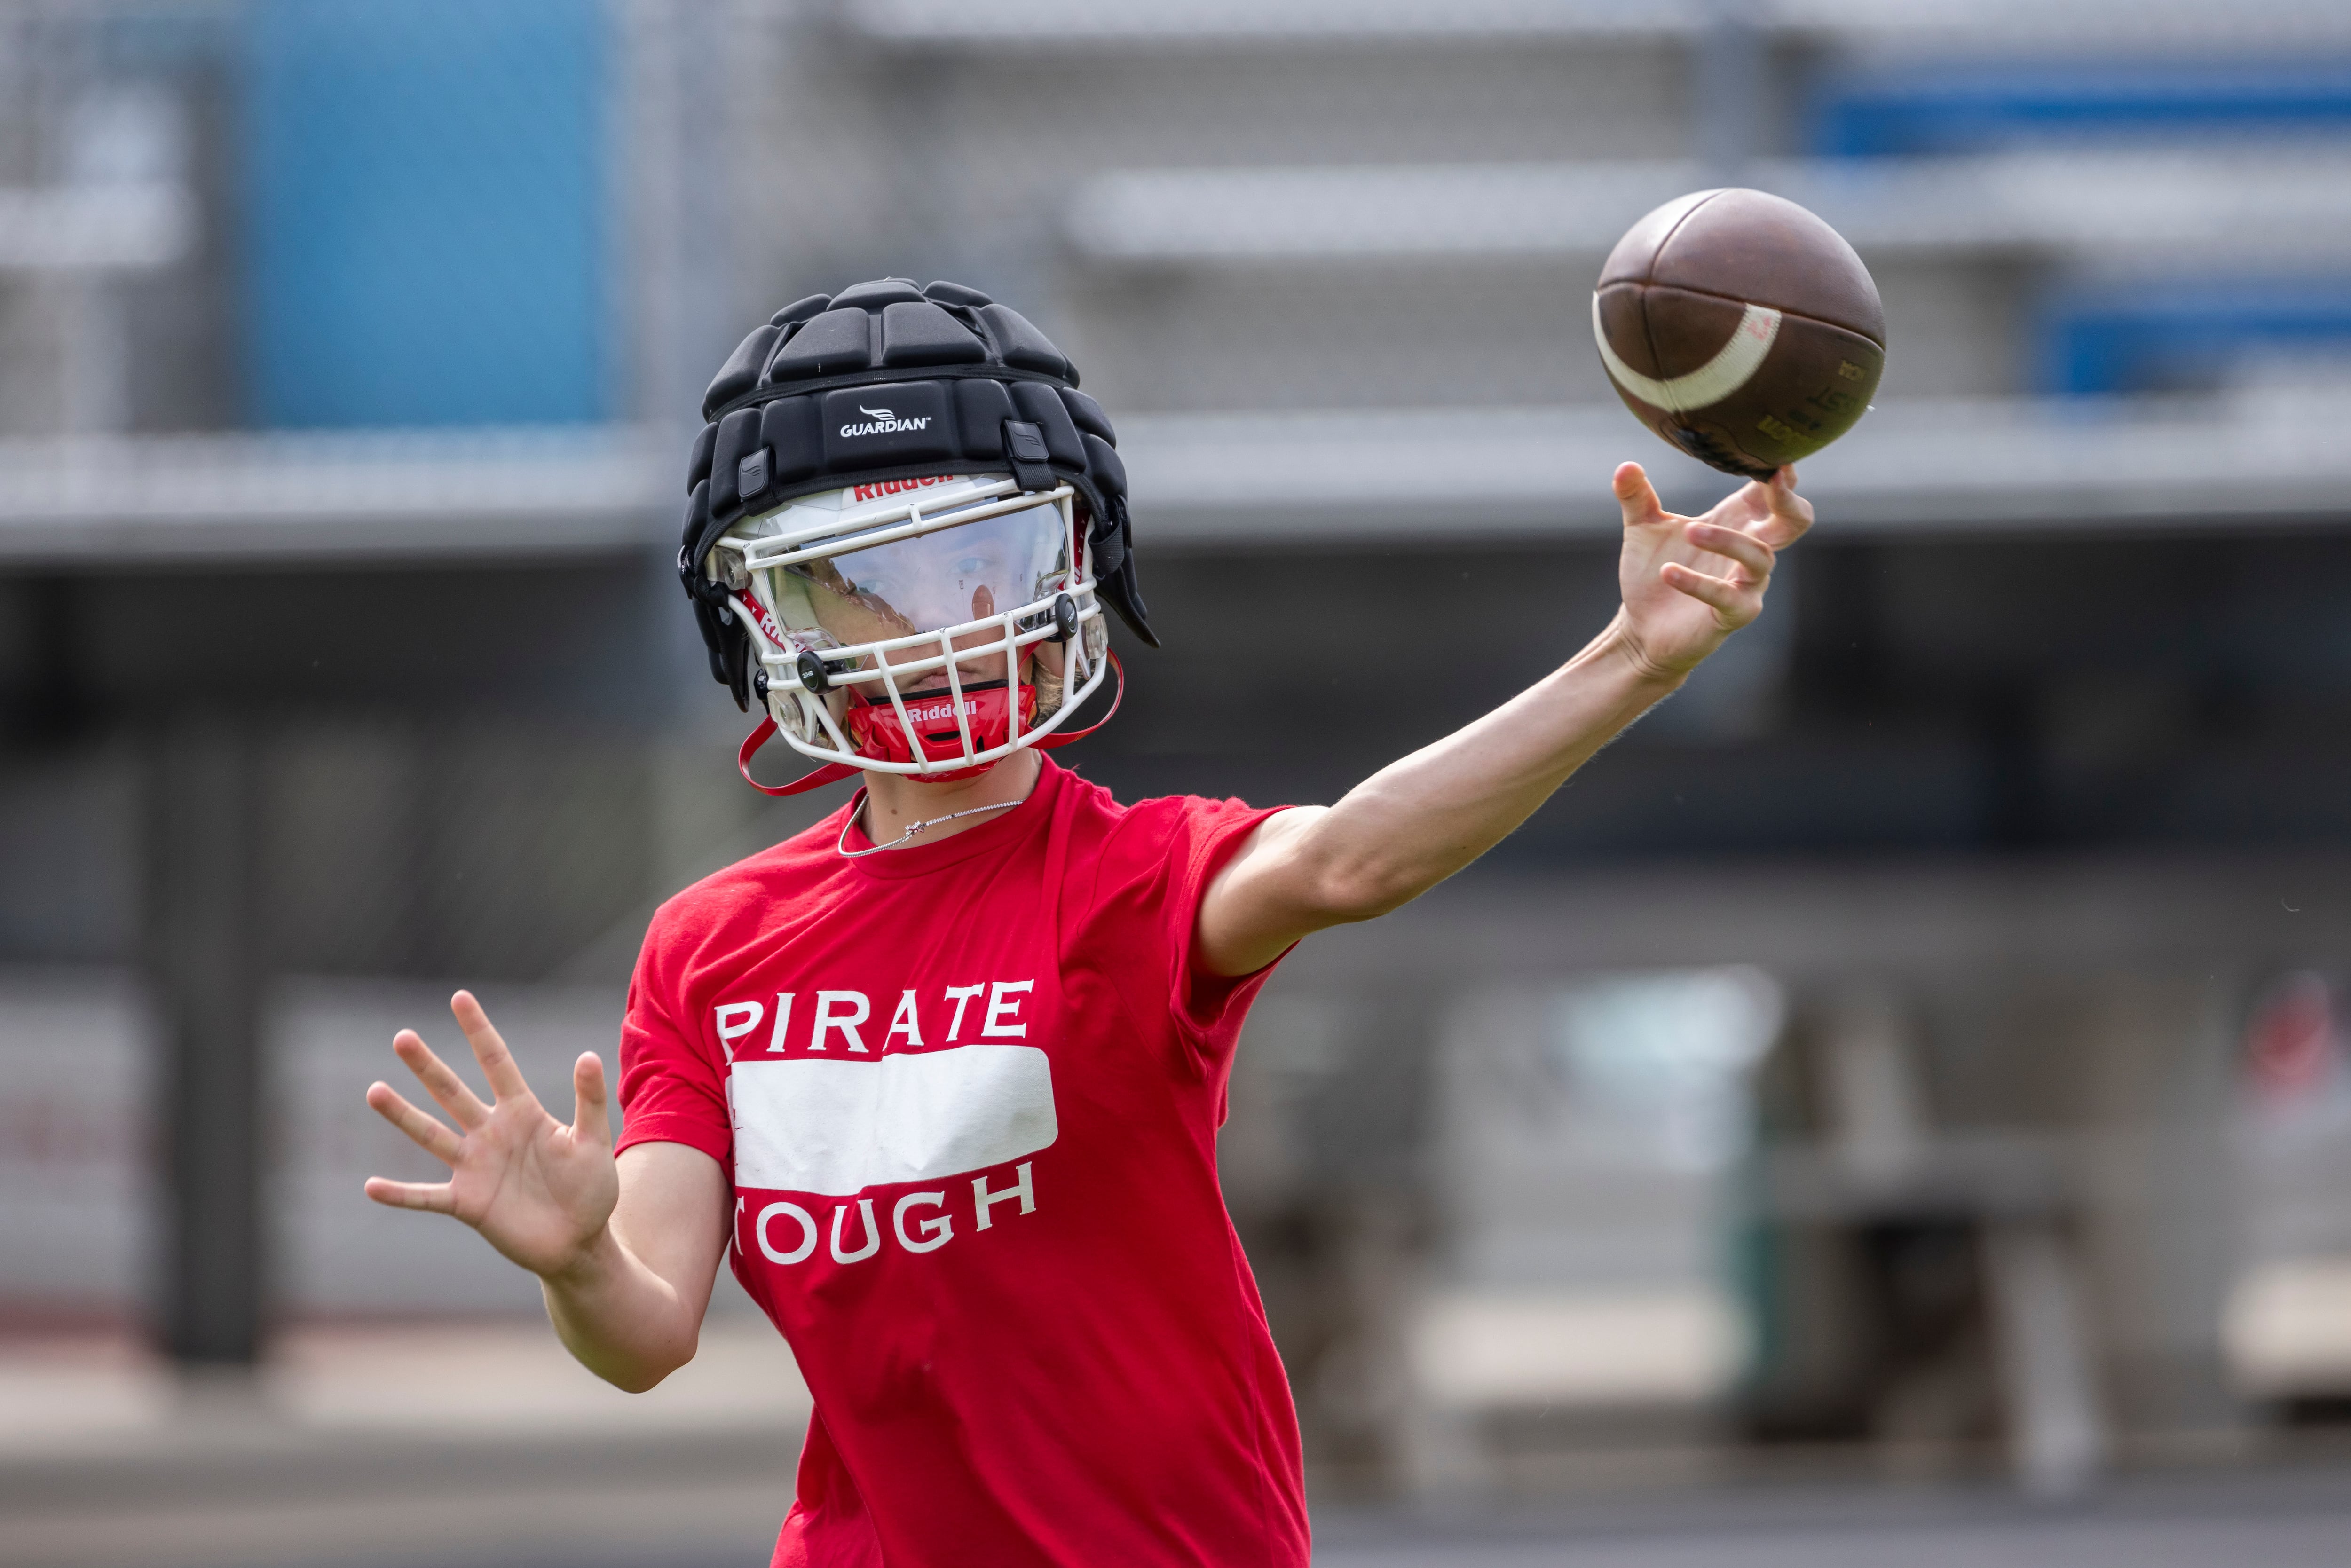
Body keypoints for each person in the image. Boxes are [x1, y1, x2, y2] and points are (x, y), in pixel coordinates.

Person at [362, 278, 1813, 1567]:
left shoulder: (1131, 879)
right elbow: (645, 1333)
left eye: (978, 562)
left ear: (1077, 566)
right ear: (763, 620)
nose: (936, 625)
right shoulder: (710, 943)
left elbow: (1354, 860)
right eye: (860, 588)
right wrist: (573, 1263)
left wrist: (1635, 658)